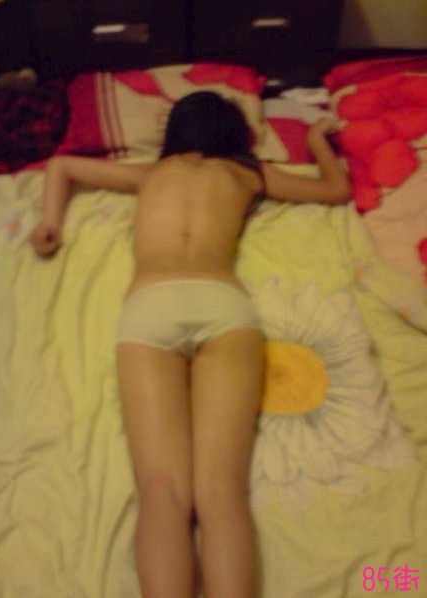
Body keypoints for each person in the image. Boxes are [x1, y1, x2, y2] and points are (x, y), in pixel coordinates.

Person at [29, 91, 350, 598]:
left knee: (162, 493)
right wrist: (315, 140)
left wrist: (49, 224)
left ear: (175, 132)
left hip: (150, 308)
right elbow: (336, 190)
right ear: (235, 135)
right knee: (222, 493)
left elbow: (61, 165)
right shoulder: (248, 174)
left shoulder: (151, 174)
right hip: (223, 306)